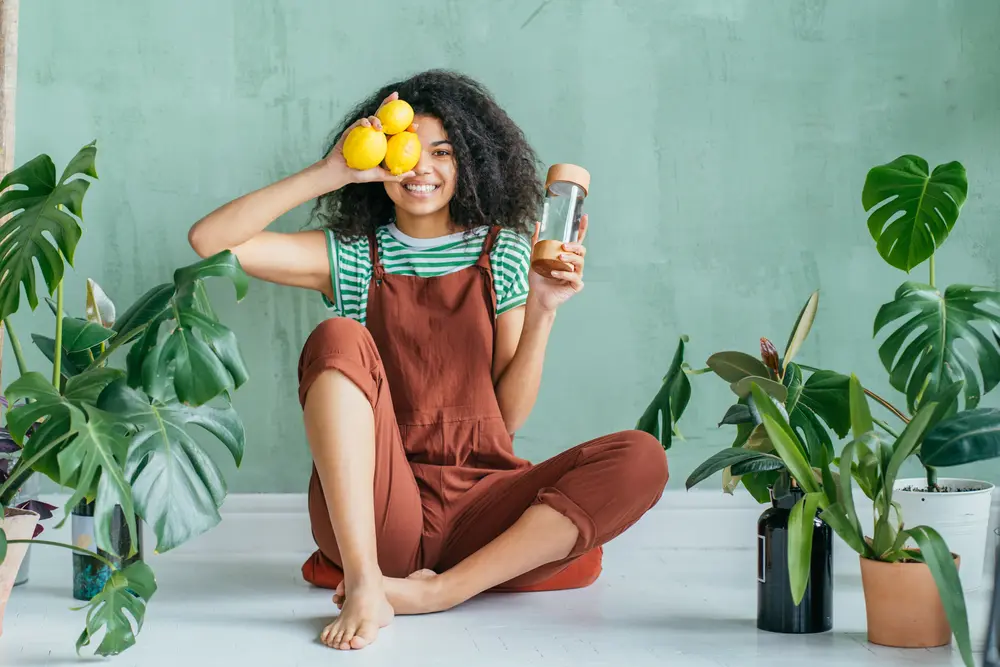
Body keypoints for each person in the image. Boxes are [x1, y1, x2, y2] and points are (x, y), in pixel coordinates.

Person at [188, 69, 668, 651]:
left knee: (642, 457)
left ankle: (439, 591)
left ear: (469, 163)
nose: (423, 168)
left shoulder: (505, 253)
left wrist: (544, 309)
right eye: (408, 148)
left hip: (480, 504)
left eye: (444, 152)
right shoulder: (351, 256)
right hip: (379, 512)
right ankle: (367, 582)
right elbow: (209, 242)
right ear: (382, 161)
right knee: (337, 336)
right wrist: (331, 171)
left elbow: (508, 418)